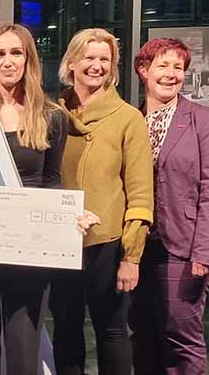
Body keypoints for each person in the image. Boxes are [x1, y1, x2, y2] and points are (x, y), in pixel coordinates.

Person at [0, 24, 98, 375]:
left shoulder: (52, 117)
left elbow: (52, 181)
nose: (8, 61)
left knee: (23, 348)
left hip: (27, 253)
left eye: (16, 53)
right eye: (0, 54)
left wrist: (69, 216)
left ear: (29, 59)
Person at [51, 27, 154, 375]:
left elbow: (141, 192)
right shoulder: (51, 114)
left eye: (104, 60)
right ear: (72, 62)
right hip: (58, 242)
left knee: (111, 330)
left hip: (106, 244)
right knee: (64, 329)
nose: (97, 66)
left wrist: (132, 257)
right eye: (89, 57)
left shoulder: (128, 118)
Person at [128, 38, 209, 375]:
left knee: (181, 336)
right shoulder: (131, 119)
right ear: (144, 71)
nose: (171, 74)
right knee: (142, 333)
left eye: (178, 67)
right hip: (135, 249)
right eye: (163, 65)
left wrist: (205, 251)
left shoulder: (204, 121)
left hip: (182, 249)